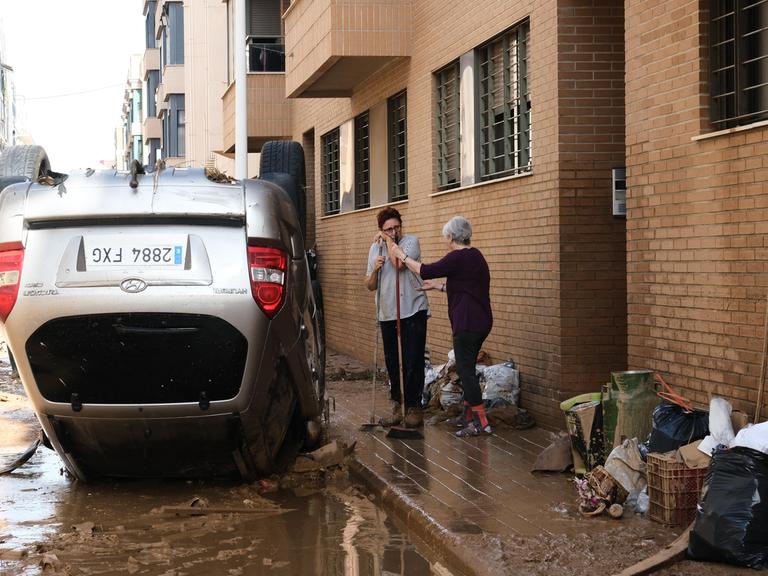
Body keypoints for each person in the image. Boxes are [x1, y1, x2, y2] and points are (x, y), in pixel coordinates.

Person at [384, 215, 493, 437]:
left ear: (451, 236)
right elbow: (467, 287)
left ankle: (482, 423)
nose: (445, 240)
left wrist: (401, 255)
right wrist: (439, 287)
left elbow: (424, 269)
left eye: (446, 237)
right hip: (481, 321)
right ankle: (468, 416)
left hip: (467, 323)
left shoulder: (457, 257)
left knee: (465, 371)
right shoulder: (476, 256)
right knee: (467, 368)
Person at [366, 207, 429, 427]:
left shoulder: (411, 242)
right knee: (393, 361)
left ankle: (413, 406)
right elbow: (369, 285)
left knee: (412, 359)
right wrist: (374, 269)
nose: (393, 232)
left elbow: (399, 264)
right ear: (381, 230)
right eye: (388, 229)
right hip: (387, 312)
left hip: (412, 309)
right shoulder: (375, 249)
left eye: (396, 227)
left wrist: (387, 241)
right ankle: (397, 404)